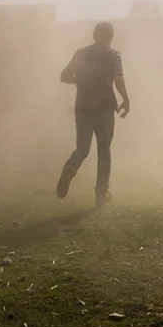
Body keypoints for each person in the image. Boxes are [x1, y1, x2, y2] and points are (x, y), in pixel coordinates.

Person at [56, 22, 130, 206]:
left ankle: (70, 168)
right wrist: (126, 99)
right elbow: (118, 79)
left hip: (83, 107)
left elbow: (64, 76)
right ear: (111, 37)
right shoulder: (113, 56)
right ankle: (100, 193)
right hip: (105, 108)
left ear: (94, 35)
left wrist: (81, 81)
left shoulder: (81, 53)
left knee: (82, 149)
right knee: (104, 151)